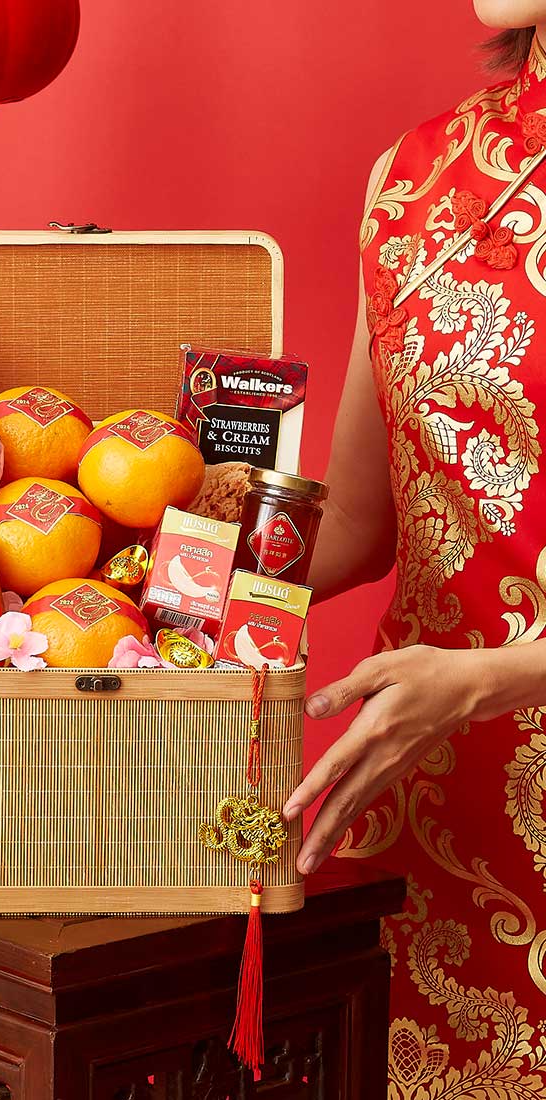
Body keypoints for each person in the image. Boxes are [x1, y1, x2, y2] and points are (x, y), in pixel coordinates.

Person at [283, 8, 546, 1096]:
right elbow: (357, 524)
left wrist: (490, 678)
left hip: (458, 715)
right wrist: (117, 547)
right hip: (434, 815)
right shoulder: (418, 177)